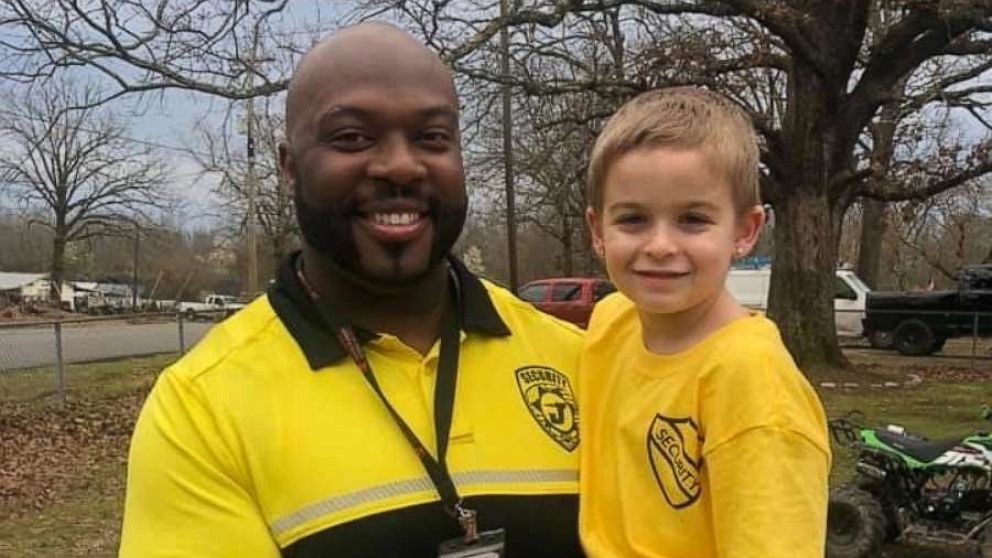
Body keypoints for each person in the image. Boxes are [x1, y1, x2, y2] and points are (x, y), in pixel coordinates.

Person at [119, 22, 583, 558]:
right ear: (289, 167)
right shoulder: (201, 410)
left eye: (431, 137)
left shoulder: (578, 363)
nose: (401, 166)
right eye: (353, 139)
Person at [578, 87, 830, 558]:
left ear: (745, 231)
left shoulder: (752, 382)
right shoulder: (611, 323)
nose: (659, 245)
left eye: (692, 220)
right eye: (632, 219)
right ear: (598, 231)